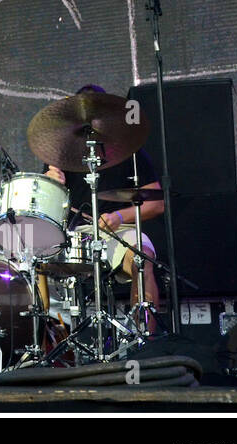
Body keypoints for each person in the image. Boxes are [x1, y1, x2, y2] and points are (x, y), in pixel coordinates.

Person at [41, 85, 163, 332]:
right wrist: (51, 186)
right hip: (75, 233)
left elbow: (157, 203)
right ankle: (44, 344)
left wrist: (119, 216)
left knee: (142, 259)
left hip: (120, 229)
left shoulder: (130, 152)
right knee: (35, 258)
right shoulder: (60, 153)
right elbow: (47, 210)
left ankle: (145, 342)